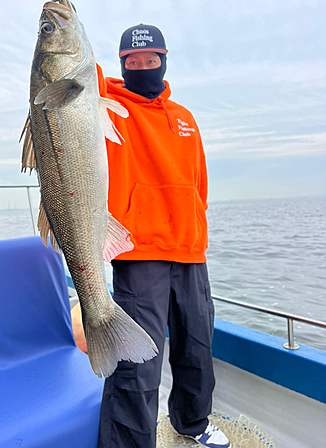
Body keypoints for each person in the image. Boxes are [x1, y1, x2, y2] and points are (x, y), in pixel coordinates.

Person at [95, 24, 230, 448]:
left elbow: (199, 184)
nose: (141, 68)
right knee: (137, 363)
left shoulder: (185, 117)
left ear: (164, 60)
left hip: (190, 250)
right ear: (121, 66)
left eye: (150, 60)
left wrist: (194, 224)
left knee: (196, 346)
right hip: (138, 252)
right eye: (131, 62)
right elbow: (67, 70)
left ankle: (192, 422)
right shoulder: (109, 104)